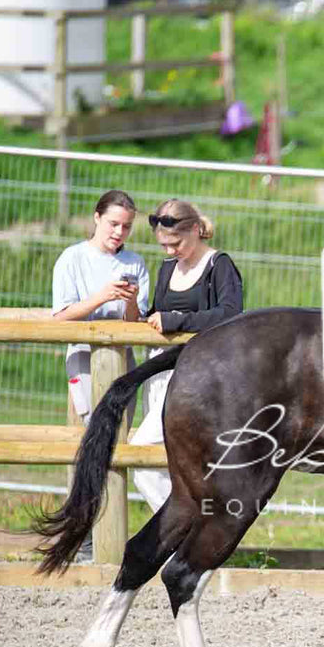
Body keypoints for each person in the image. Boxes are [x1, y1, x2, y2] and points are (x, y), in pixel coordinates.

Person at [129, 199, 244, 513]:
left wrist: (176, 319)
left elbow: (231, 315)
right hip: (159, 371)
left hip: (195, 376)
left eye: (175, 243)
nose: (169, 251)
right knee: (165, 462)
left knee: (141, 455)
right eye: (164, 245)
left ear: (195, 229)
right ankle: (190, 539)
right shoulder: (167, 269)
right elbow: (156, 315)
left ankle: (185, 532)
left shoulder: (218, 265)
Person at [52, 189, 150, 423]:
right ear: (97, 218)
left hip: (123, 356)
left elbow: (135, 322)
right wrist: (102, 297)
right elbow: (61, 316)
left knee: (121, 429)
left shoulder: (135, 262)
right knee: (88, 427)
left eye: (126, 226)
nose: (119, 232)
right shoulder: (72, 257)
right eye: (113, 223)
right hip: (83, 355)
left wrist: (131, 301)